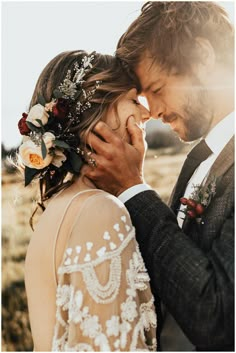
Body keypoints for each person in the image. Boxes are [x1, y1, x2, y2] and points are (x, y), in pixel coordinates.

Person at [82, 2, 234, 351]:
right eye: (143, 98)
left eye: (158, 88)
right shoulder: (199, 160)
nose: (153, 112)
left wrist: (133, 190)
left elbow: (221, 318)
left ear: (202, 55)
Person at [20, 50, 157, 351]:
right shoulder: (99, 211)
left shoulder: (63, 206)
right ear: (100, 113)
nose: (147, 114)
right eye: (134, 100)